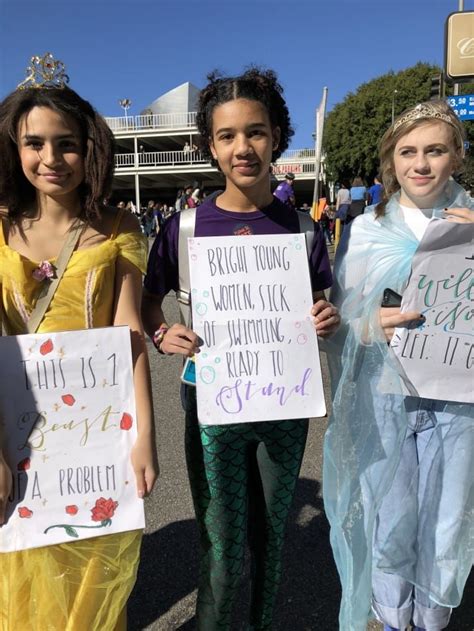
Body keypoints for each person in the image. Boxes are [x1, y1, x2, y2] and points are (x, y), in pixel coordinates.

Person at [142, 67, 340, 631]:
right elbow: (149, 305)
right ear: (210, 145)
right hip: (212, 405)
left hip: (283, 407)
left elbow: (319, 305)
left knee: (268, 540)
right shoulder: (182, 228)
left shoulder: (303, 230)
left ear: (276, 135)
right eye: (227, 136)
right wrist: (161, 333)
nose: (242, 147)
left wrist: (325, 317)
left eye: (255, 132)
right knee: (224, 547)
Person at [0, 53, 158, 630]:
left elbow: (129, 334)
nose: (50, 159)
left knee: (91, 580)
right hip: (18, 431)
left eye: (65, 143)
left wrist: (145, 434)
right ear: (14, 149)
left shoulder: (120, 228)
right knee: (23, 577)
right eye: (33, 143)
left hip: (94, 434)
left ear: (88, 148)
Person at [324, 100, 473, 631]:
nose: (422, 164)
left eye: (435, 150)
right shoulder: (367, 230)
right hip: (385, 391)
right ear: (392, 162)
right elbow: (342, 315)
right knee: (390, 511)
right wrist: (367, 324)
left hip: (460, 397)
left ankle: (432, 619)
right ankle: (392, 617)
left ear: (456, 155)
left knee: (448, 517)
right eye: (409, 152)